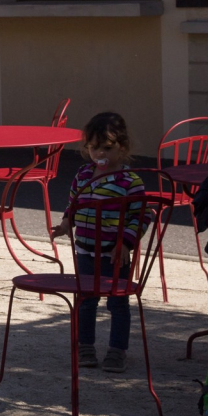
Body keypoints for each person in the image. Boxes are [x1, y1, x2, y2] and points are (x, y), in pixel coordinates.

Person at [51, 112, 147, 374]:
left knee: (117, 302)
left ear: (122, 147)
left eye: (107, 147)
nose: (99, 153)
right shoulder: (83, 174)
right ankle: (85, 347)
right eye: (94, 148)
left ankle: (117, 352)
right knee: (86, 299)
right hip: (85, 249)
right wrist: (65, 224)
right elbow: (74, 203)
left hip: (115, 254)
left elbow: (141, 216)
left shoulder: (130, 182)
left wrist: (126, 244)